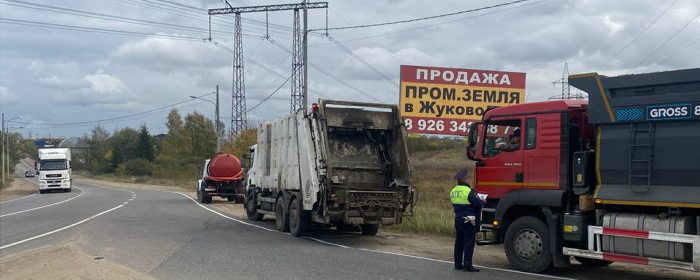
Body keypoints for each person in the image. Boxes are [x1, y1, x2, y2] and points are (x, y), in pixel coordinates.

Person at [450, 168, 484, 272]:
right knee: (469, 242)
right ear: (465, 179)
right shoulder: (468, 191)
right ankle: (468, 265)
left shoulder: (453, 191)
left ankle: (458, 264)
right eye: (468, 178)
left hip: (458, 219)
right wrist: (483, 201)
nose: (468, 179)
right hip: (469, 220)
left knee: (459, 242)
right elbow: (478, 204)